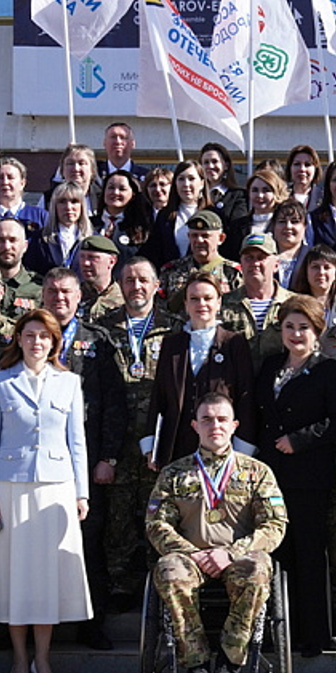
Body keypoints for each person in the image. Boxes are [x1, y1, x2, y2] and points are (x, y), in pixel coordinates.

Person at [0, 310, 94, 673]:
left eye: (44, 336)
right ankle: (19, 659)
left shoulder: (69, 382)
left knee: (45, 578)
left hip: (55, 489)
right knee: (16, 574)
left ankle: (43, 658)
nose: (36, 343)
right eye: (29, 335)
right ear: (19, 339)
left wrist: (81, 491)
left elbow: (77, 441)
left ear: (54, 342)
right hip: (10, 488)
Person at [147, 392, 288, 673]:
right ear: (194, 426)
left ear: (234, 425)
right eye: (207, 419)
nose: (215, 426)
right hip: (191, 558)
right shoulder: (174, 473)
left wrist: (232, 552)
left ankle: (229, 663)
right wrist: (193, 554)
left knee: (258, 571)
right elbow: (157, 524)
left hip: (239, 556)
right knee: (169, 572)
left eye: (222, 419)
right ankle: (195, 664)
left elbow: (274, 525)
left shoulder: (256, 472)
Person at [253, 295, 336, 658]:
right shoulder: (269, 366)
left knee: (309, 553)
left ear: (317, 332)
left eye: (304, 328)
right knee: (278, 553)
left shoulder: (329, 370)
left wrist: (299, 440)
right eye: (290, 327)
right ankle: (278, 632)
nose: (296, 334)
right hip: (270, 475)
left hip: (309, 474)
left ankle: (313, 635)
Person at [38, 268, 127, 651]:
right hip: (39, 461)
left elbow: (113, 403)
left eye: (67, 293)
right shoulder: (29, 336)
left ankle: (92, 621)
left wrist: (107, 456)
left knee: (89, 540)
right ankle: (42, 621)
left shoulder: (97, 341)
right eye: (53, 291)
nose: (60, 298)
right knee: (39, 542)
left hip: (85, 458)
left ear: (80, 298)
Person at [98, 257, 177, 607]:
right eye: (129, 280)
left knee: (158, 512)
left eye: (143, 279)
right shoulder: (101, 328)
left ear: (156, 284)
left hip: (157, 438)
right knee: (118, 516)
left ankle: (158, 583)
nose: (136, 286)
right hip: (116, 436)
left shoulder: (174, 328)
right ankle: (119, 585)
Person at [148, 273, 255, 470]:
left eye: (208, 298)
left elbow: (246, 397)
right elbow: (159, 395)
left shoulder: (234, 343)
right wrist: (151, 446)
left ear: (219, 303)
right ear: (186, 305)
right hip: (177, 446)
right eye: (194, 299)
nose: (201, 304)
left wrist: (243, 450)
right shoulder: (171, 345)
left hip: (222, 447)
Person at [220, 234, 296, 362]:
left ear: (276, 264)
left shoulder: (294, 304)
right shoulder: (223, 303)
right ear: (241, 264)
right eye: (249, 258)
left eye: (261, 258)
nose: (255, 263)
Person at [158, 209, 242, 313]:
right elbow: (161, 311)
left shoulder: (233, 273)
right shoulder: (171, 270)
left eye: (205, 236)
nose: (199, 240)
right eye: (194, 235)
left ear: (221, 238)